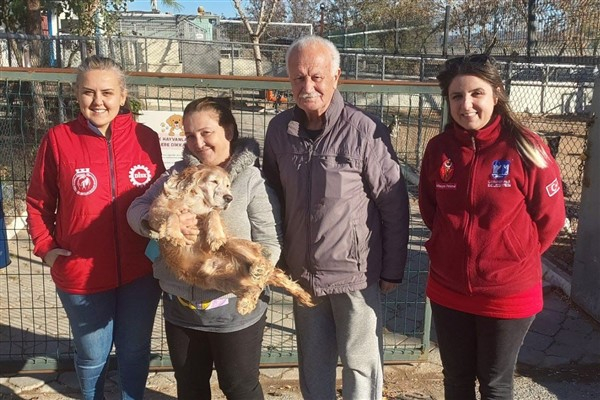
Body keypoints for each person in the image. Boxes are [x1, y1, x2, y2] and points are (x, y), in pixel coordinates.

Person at [262, 35, 410, 399]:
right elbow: (270, 197)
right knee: (313, 365)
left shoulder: (363, 131)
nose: (307, 86)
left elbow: (393, 202)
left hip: (354, 275)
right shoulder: (280, 131)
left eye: (316, 77)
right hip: (302, 275)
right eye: (298, 78)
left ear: (336, 77)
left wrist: (392, 268)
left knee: (361, 364)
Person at [418, 54, 566, 400]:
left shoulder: (527, 147)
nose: (466, 104)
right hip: (447, 288)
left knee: (495, 384)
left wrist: (512, 253)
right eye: (457, 96)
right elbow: (430, 209)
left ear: (496, 95)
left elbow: (551, 219)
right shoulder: (438, 149)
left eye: (476, 94)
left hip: (507, 293)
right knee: (456, 378)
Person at [26, 55, 165, 400]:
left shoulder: (146, 138)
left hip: (140, 272)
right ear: (77, 95)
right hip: (81, 273)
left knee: (134, 351)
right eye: (88, 92)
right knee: (92, 355)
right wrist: (47, 250)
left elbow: (163, 196)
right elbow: (38, 202)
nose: (98, 101)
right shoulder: (59, 140)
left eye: (107, 92)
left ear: (122, 94)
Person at [127, 97, 282, 400]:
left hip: (233, 311)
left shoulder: (251, 180)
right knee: (191, 388)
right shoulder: (179, 175)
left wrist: (247, 277)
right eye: (189, 135)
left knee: (239, 387)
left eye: (206, 132)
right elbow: (136, 210)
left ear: (228, 131)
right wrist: (157, 221)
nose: (198, 143)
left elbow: (270, 244)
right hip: (181, 306)